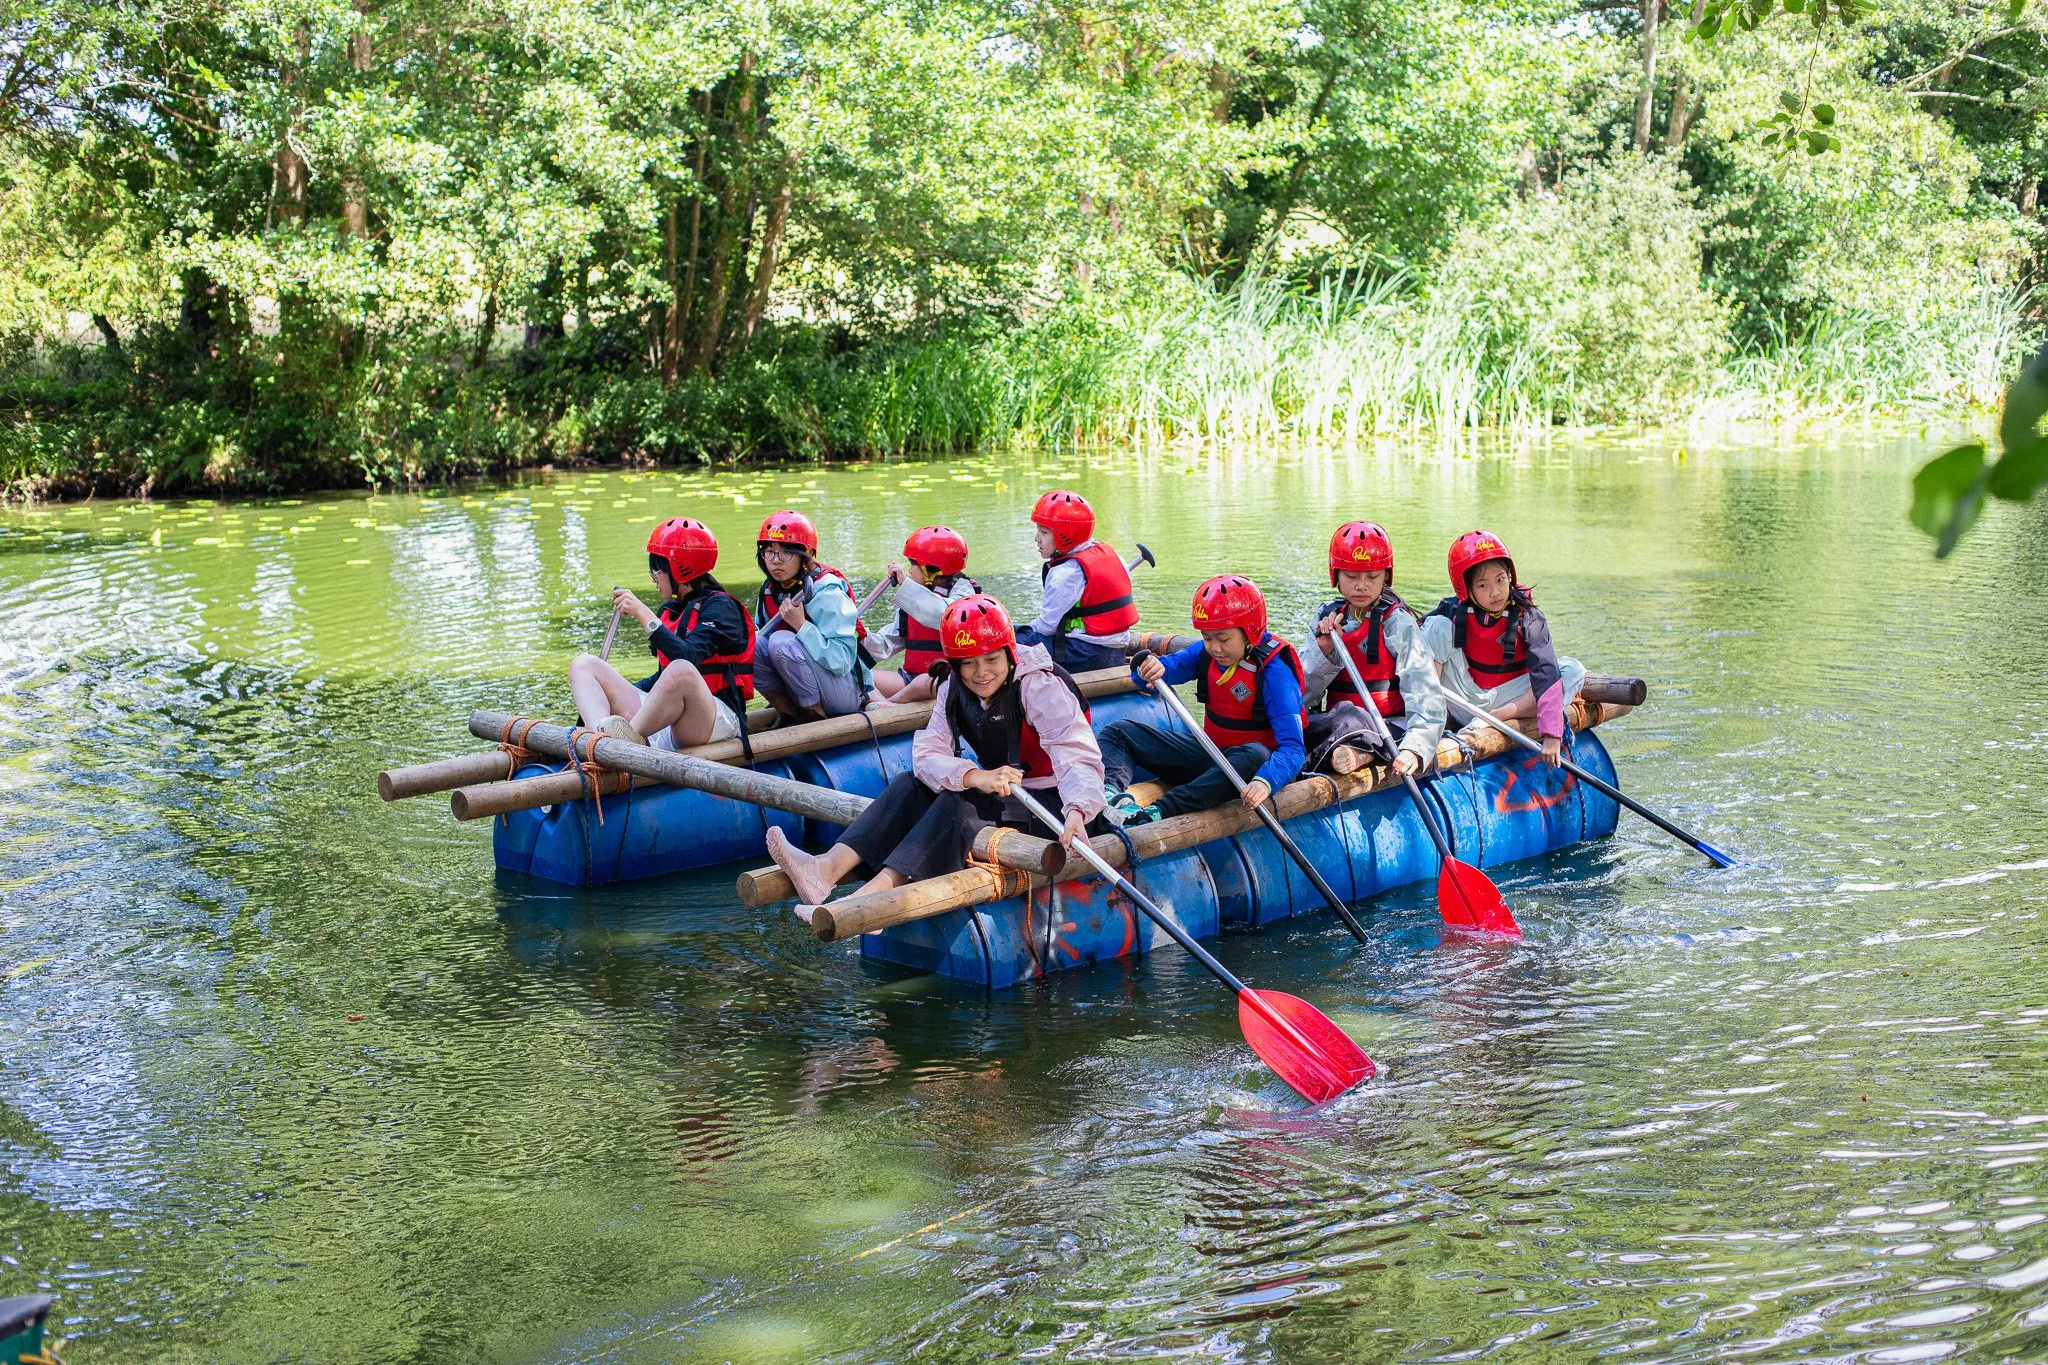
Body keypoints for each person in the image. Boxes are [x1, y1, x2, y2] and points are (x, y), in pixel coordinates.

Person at [764, 595, 1110, 916]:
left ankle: (875, 897)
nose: (981, 672)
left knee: (959, 803)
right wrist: (974, 776)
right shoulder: (953, 689)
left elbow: (1075, 753)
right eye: (969, 663)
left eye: (992, 659)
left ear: (1009, 653)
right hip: (1005, 791)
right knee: (911, 784)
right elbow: (928, 754)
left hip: (1058, 807)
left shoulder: (1038, 686)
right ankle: (824, 871)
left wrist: (1079, 810)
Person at [1099, 575, 1307, 825]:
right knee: (1118, 732)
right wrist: (1148, 669)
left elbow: (1294, 749)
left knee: (1256, 754)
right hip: (1211, 756)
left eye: (1223, 639)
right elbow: (1162, 671)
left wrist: (1265, 782)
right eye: (1207, 638)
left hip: (1248, 769)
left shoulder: (1275, 674)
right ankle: (1110, 796)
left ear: (1250, 630)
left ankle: (1159, 811)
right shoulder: (1204, 653)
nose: (1215, 648)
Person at [567, 517, 754, 749]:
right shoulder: (671, 609)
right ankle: (599, 739)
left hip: (714, 717)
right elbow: (662, 679)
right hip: (669, 716)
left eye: (657, 570)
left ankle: (624, 741)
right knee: (584, 664)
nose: (654, 578)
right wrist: (613, 690)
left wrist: (643, 614)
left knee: (682, 670)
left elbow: (688, 659)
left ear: (679, 570)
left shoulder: (722, 609)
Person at [1422, 529, 1583, 767]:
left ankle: (1493, 719)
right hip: (1465, 699)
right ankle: (1429, 720)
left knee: (1573, 670)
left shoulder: (1530, 617)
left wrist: (1551, 734)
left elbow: (1545, 673)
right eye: (1483, 585)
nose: (1495, 591)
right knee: (1434, 626)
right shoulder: (1453, 610)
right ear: (1466, 589)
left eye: (1500, 579)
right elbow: (1415, 645)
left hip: (1508, 702)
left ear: (1510, 576)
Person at [1301, 521, 1446, 777]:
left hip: (1388, 727)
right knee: (1333, 719)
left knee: (1350, 716)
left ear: (1386, 577)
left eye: (1372, 577)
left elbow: (1425, 692)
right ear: (1336, 575)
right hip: (1338, 724)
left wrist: (1416, 747)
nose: (1361, 586)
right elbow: (1303, 696)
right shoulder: (1325, 618)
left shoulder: (1398, 623)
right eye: (1352, 576)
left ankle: (1361, 753)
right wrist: (1323, 651)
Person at [751, 509, 869, 721]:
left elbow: (841, 661)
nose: (776, 561)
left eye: (786, 552)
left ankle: (815, 716)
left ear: (806, 555)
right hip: (799, 687)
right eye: (769, 551)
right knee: (750, 645)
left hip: (842, 691)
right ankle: (787, 714)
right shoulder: (769, 589)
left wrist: (802, 626)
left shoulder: (827, 591)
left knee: (781, 642)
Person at [1015, 489, 1139, 673]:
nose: (1037, 539)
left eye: (1044, 532)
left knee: (1011, 638)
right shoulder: (1110, 553)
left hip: (1085, 654)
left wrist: (1019, 632)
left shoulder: (1065, 572)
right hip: (1116, 650)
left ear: (1064, 535)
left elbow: (1045, 627)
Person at [863, 524, 980, 707]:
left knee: (924, 682)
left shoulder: (965, 592)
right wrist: (860, 636)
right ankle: (887, 707)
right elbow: (885, 645)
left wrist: (905, 585)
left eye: (913, 565)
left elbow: (945, 616)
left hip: (946, 681)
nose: (909, 571)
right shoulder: (915, 598)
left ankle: (889, 707)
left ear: (930, 569)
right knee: (860, 676)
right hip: (910, 679)